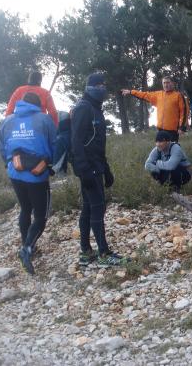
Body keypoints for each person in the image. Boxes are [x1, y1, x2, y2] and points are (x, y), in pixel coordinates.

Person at [0, 92, 57, 275]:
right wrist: (52, 163)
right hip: (37, 174)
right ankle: (27, 249)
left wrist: (7, 164)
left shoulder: (7, 121)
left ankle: (27, 244)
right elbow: (54, 143)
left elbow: (1, 146)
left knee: (25, 209)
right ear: (38, 105)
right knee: (41, 216)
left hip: (15, 171)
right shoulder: (44, 119)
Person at [71, 72, 126, 267]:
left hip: (97, 166)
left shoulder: (95, 109)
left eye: (104, 85)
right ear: (90, 87)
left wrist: (107, 168)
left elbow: (97, 144)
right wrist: (83, 169)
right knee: (97, 208)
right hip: (88, 168)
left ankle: (86, 252)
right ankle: (104, 253)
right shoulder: (83, 108)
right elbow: (76, 141)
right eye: (99, 85)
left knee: (88, 208)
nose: (103, 88)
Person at [121, 76, 189, 141]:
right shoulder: (158, 95)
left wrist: (182, 127)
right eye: (164, 83)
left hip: (172, 130)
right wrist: (131, 92)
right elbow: (144, 95)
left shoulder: (178, 96)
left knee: (172, 150)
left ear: (172, 83)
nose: (166, 85)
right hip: (160, 130)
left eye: (168, 82)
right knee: (161, 149)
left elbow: (184, 112)